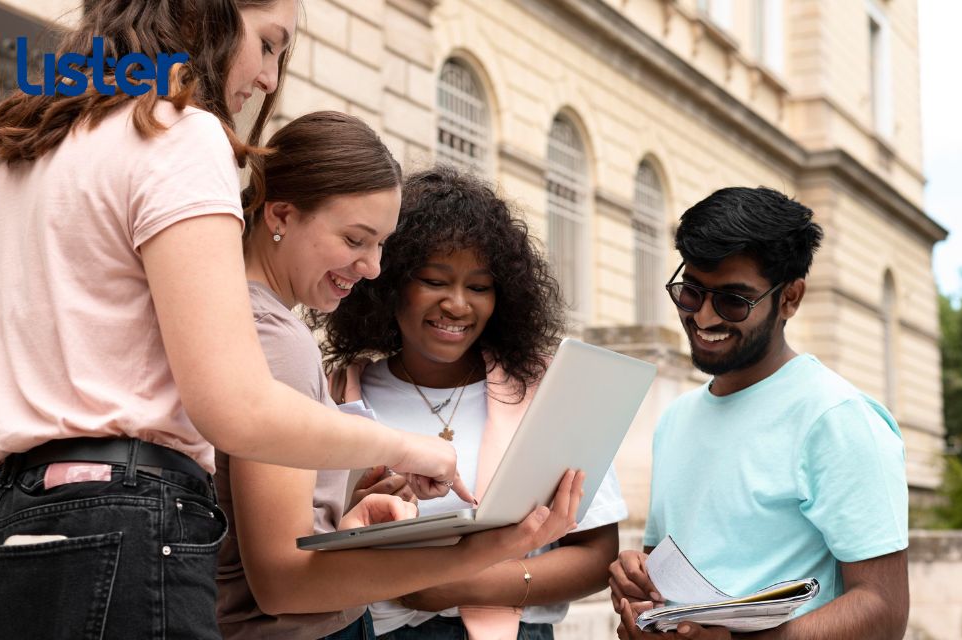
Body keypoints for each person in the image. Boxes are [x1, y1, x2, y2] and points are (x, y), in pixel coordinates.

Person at [0, 2, 466, 638]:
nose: (267, 79)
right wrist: (410, 446)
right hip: (129, 528)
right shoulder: (178, 133)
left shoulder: (1, 178)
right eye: (268, 44)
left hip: (5, 535)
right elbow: (235, 406)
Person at [218, 112, 584, 640]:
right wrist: (481, 552)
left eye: (382, 246)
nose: (371, 268)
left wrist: (354, 516)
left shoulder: (243, 320)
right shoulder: (280, 342)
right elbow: (282, 585)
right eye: (355, 240)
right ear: (280, 214)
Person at [324, 166, 628, 640]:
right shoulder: (338, 391)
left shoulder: (545, 389)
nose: (459, 305)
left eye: (480, 287)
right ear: (388, 283)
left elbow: (596, 554)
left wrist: (459, 584)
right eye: (434, 280)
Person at [609, 187, 910, 640]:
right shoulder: (675, 418)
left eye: (733, 300)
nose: (704, 318)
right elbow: (663, 578)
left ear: (790, 298)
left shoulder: (838, 418)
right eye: (690, 293)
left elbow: (883, 609)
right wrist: (638, 588)